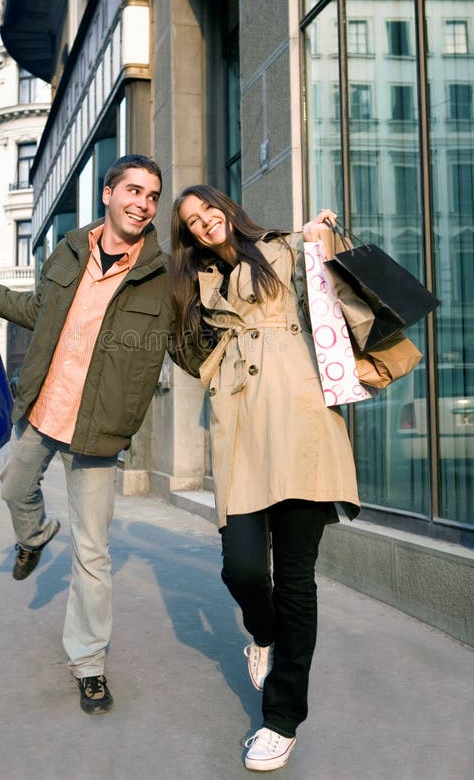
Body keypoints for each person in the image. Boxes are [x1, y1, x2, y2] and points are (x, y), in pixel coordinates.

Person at [0, 154, 171, 715]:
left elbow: (190, 344)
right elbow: (35, 309)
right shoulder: (71, 250)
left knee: (93, 552)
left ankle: (89, 663)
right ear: (108, 193)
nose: (142, 203)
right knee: (12, 486)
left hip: (99, 430)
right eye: (133, 190)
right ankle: (32, 536)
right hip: (47, 406)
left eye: (152, 196)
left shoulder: (161, 277)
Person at [168, 185, 360, 772]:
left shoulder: (278, 249)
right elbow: (181, 349)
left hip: (300, 423)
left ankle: (281, 720)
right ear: (188, 236)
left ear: (226, 208)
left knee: (297, 582)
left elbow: (333, 293)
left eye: (208, 211)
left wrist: (325, 237)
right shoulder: (192, 286)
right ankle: (262, 632)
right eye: (192, 223)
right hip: (241, 428)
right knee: (244, 568)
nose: (204, 224)